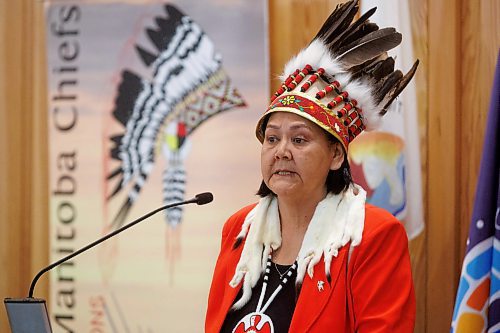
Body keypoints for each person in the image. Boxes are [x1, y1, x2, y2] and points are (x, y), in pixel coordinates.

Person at [205, 0, 418, 332]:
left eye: (299, 140)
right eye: (272, 139)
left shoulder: (372, 235)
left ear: (336, 155)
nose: (282, 152)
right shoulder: (239, 229)